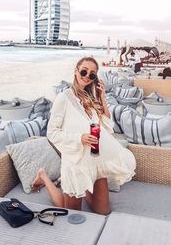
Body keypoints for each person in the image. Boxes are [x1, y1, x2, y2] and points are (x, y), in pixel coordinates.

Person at [35, 57, 136, 215]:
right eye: (84, 71)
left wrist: (102, 97)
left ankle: (85, 186)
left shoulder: (92, 98)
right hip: (76, 163)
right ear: (76, 71)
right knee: (70, 211)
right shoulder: (64, 98)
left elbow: (108, 126)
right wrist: (79, 138)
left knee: (103, 211)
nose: (87, 75)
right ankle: (43, 177)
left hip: (96, 161)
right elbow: (52, 133)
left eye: (92, 74)